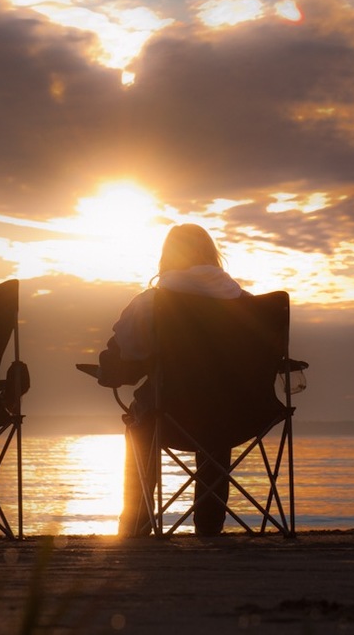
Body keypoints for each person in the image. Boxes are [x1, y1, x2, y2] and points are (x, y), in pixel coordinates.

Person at [96, 223, 250, 536]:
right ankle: (209, 528)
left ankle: (135, 526)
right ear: (212, 256)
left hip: (169, 415)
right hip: (234, 418)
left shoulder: (154, 302)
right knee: (217, 413)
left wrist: (110, 368)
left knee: (140, 420)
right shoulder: (246, 304)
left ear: (167, 257)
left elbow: (128, 354)